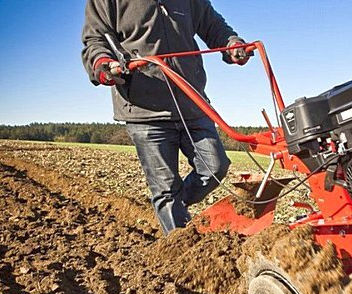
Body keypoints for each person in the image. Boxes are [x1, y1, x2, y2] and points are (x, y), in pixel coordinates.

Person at [81, 0, 250, 234]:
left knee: (215, 167)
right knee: (166, 189)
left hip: (192, 101)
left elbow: (212, 24)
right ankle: (182, 250)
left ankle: (175, 208)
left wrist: (231, 43)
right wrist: (103, 64)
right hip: (145, 109)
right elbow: (95, 40)